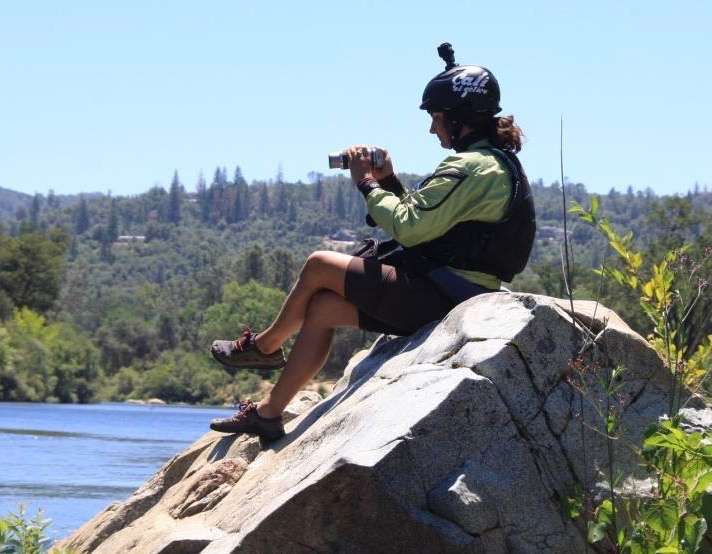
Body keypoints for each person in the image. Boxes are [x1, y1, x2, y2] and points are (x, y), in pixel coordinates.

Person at [208, 43, 536, 441]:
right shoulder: (495, 164)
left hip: (446, 296)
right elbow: (429, 223)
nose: (433, 128)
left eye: (436, 118)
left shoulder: (470, 167)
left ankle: (263, 348)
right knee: (325, 308)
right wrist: (390, 183)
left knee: (319, 265)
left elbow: (410, 227)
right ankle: (269, 414)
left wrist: (364, 182)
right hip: (453, 289)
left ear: (458, 119)